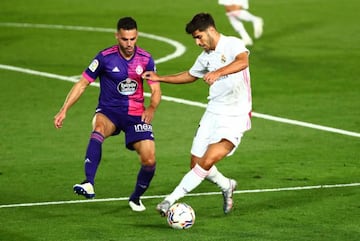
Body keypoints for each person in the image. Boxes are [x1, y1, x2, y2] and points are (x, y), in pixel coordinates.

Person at [142, 12, 252, 216]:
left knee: (208, 160)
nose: (197, 42)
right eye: (195, 38)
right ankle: (227, 185)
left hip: (236, 114)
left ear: (210, 30)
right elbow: (190, 75)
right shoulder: (205, 56)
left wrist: (219, 72)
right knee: (196, 164)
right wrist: (160, 78)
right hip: (213, 112)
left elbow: (243, 62)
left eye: (199, 36)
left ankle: (169, 200)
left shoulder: (232, 44)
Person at [54, 17, 161, 212]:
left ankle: (135, 198)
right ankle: (89, 182)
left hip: (136, 114)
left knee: (150, 159)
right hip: (109, 111)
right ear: (117, 36)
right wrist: (64, 109)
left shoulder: (146, 59)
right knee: (98, 128)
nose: (129, 44)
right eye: (124, 39)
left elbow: (156, 89)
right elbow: (82, 83)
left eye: (133, 39)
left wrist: (152, 108)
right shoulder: (104, 57)